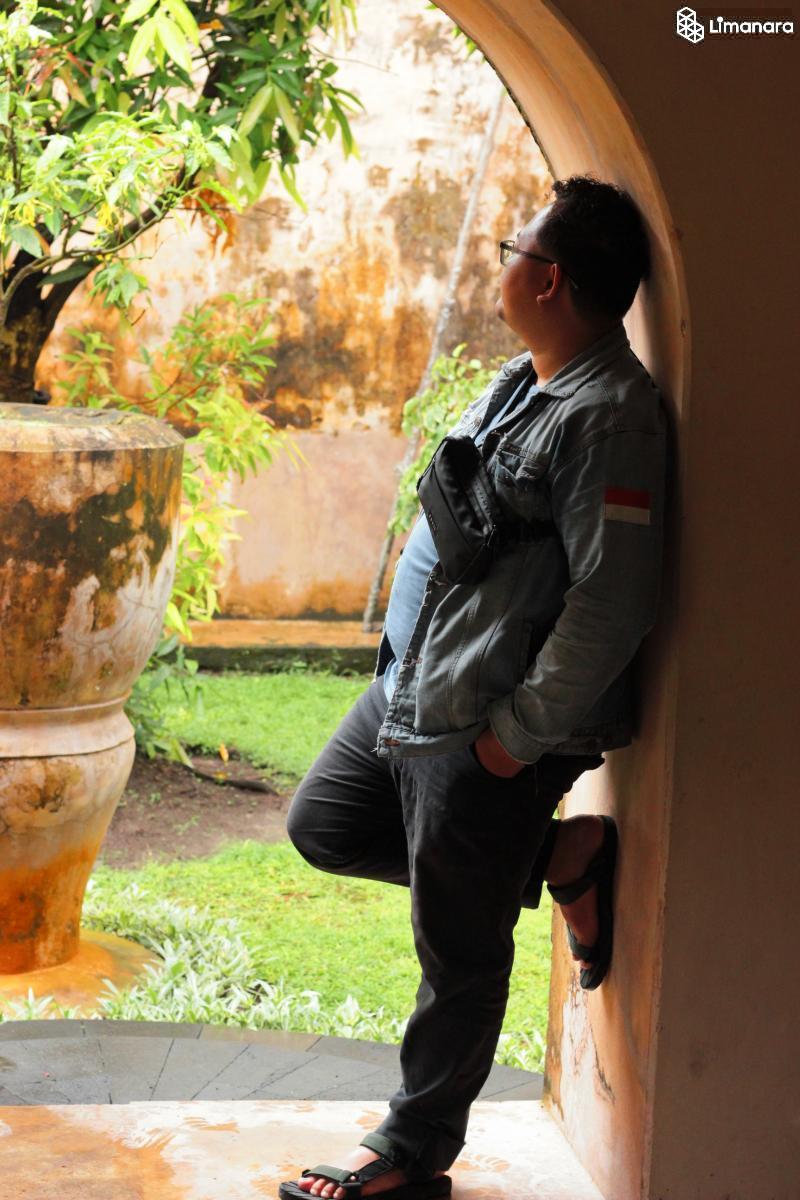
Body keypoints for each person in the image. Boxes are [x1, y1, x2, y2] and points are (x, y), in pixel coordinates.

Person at [279, 175, 666, 1200]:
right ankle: (558, 857)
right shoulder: (523, 381)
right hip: (417, 694)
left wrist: (514, 737)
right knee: (324, 825)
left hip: (482, 724)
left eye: (512, 250)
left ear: (547, 278)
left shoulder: (611, 417)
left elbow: (613, 601)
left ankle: (410, 1156)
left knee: (459, 948)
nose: (501, 265)